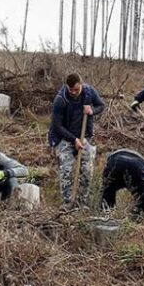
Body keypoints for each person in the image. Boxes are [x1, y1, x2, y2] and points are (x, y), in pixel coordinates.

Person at [48, 73, 105, 207]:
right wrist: (73, 139)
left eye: (76, 89)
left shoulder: (89, 91)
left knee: (87, 169)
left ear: (81, 85)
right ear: (67, 87)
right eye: (71, 89)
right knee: (67, 169)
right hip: (63, 137)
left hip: (83, 136)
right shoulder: (60, 100)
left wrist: (92, 110)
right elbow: (57, 126)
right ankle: (67, 203)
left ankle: (81, 203)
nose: (73, 92)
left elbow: (101, 106)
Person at [100, 149, 144, 225]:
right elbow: (143, 195)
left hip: (115, 162)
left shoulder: (112, 156)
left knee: (107, 196)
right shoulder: (142, 162)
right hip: (136, 165)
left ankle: (105, 220)